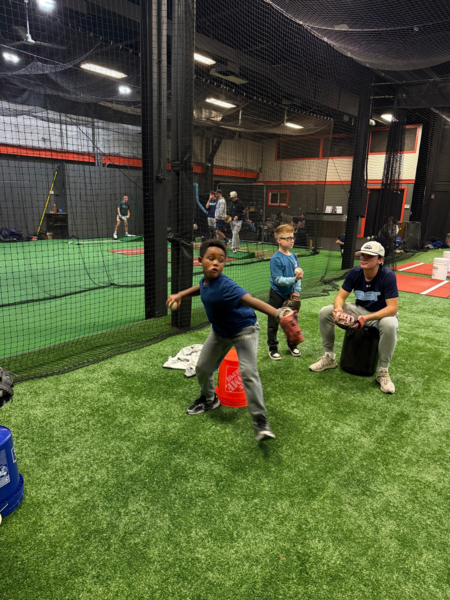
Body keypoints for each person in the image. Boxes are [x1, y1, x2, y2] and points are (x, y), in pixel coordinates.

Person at [166, 239, 290, 441]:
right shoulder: (206, 281)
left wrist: (278, 313)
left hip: (244, 330)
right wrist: (181, 294)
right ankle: (209, 399)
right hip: (220, 331)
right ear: (200, 260)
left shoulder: (227, 285)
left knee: (248, 372)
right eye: (211, 258)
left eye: (221, 260)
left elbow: (251, 300)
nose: (216, 263)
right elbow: (201, 288)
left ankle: (260, 421)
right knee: (202, 368)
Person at [309, 241, 399, 394]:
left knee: (390, 324)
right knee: (325, 311)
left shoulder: (388, 276)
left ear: (380, 260)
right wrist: (338, 310)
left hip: (380, 315)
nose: (364, 259)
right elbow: (340, 297)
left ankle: (383, 371)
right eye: (362, 255)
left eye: (369, 256)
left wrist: (366, 318)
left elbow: (392, 308)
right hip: (358, 310)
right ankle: (329, 357)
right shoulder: (355, 272)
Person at [267, 224, 303, 360]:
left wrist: (296, 292)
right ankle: (273, 348)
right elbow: (278, 280)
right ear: (279, 240)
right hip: (276, 294)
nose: (291, 241)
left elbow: (298, 275)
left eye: (292, 238)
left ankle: (292, 345)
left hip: (290, 295)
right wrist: (294, 279)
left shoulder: (294, 256)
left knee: (292, 322)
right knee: (273, 323)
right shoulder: (276, 258)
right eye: (288, 238)